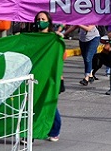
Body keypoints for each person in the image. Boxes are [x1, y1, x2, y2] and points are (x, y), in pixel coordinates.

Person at [34, 11, 62, 142]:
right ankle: (29, 133)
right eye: (38, 19)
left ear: (49, 22)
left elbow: (59, 59)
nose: (40, 21)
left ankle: (54, 130)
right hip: (34, 76)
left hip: (49, 77)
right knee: (30, 104)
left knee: (49, 103)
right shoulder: (32, 38)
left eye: (43, 19)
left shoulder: (53, 38)